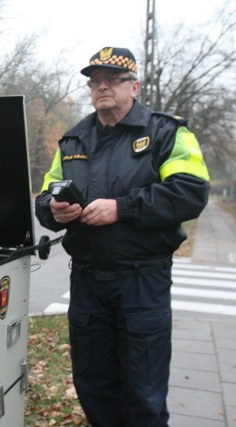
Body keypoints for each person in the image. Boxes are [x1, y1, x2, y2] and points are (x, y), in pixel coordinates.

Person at [35, 47, 210, 427]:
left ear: (135, 86)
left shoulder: (166, 132)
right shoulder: (73, 141)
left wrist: (122, 208)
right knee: (94, 385)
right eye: (95, 80)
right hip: (87, 282)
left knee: (143, 393)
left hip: (141, 280)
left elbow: (190, 192)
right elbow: (46, 196)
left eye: (112, 79)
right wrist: (54, 209)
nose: (102, 86)